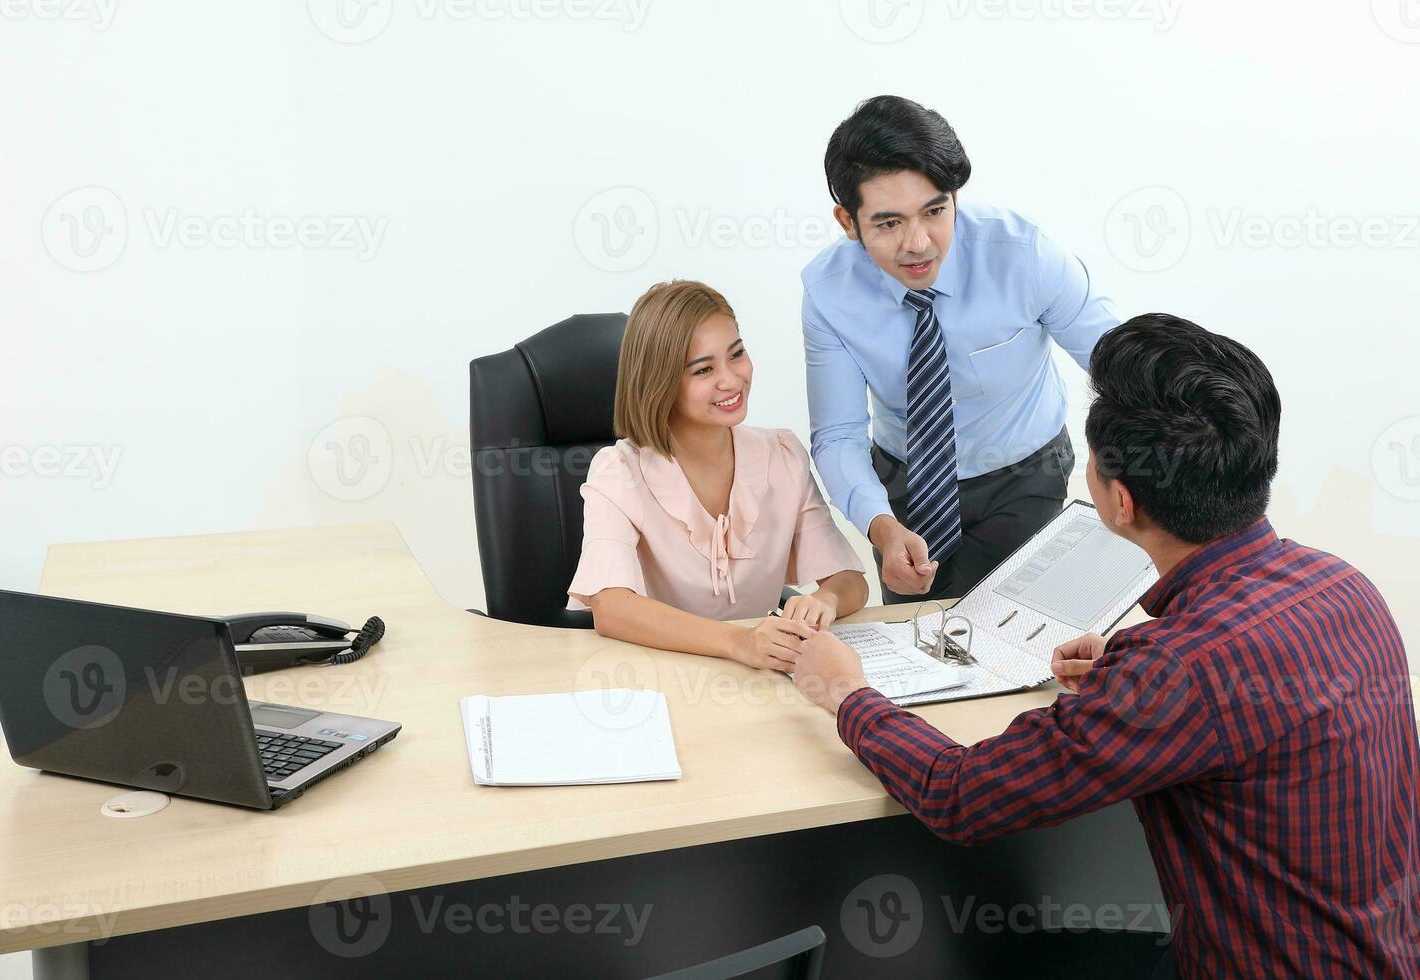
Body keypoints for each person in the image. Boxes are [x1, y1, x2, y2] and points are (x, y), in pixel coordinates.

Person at [791, 313, 1420, 977]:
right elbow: (1240, 690)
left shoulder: (1181, 668)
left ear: (1120, 502)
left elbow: (961, 795)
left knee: (998, 961)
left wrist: (845, 691)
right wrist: (1127, 671)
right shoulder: (1344, 585)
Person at [803, 95, 1119, 602]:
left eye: (934, 211)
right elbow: (838, 433)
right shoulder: (828, 292)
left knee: (1015, 639)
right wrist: (880, 527)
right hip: (906, 485)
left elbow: (1120, 367)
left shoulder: (1024, 255)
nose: (919, 243)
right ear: (847, 221)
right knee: (918, 644)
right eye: (888, 223)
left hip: (1024, 473)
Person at [566, 280, 869, 669]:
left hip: (750, 679)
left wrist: (823, 601)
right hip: (644, 678)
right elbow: (611, 607)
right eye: (704, 369)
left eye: (736, 354)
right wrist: (741, 643)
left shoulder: (783, 455)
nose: (731, 380)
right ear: (660, 383)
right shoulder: (618, 471)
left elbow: (850, 581)